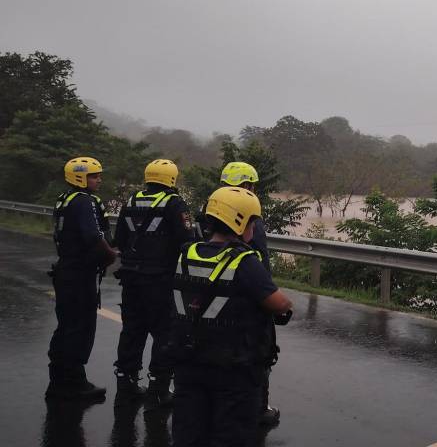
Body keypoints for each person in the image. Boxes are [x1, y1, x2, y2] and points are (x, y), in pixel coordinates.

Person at [170, 186, 293, 447]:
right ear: (240, 222)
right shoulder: (244, 261)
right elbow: (279, 303)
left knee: (188, 432)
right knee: (231, 435)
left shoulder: (186, 253)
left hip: (187, 361)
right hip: (233, 369)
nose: (254, 228)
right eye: (253, 221)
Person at [196, 161, 280, 425]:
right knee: (257, 349)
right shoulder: (247, 218)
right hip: (243, 298)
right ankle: (258, 408)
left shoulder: (208, 212)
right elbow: (260, 265)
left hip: (204, 293)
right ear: (246, 185)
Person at [112, 158, 194, 406]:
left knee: (132, 330)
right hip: (160, 280)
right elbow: (186, 240)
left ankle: (126, 382)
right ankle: (159, 388)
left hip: (131, 277)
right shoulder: (174, 203)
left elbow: (120, 239)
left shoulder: (131, 200)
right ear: (172, 178)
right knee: (164, 333)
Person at [46, 156, 117, 400]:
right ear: (80, 176)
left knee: (66, 325)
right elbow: (93, 237)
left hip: (66, 270)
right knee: (80, 327)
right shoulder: (84, 202)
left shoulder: (65, 199)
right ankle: (75, 383)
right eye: (94, 175)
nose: (99, 179)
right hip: (79, 274)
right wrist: (110, 256)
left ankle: (57, 380)